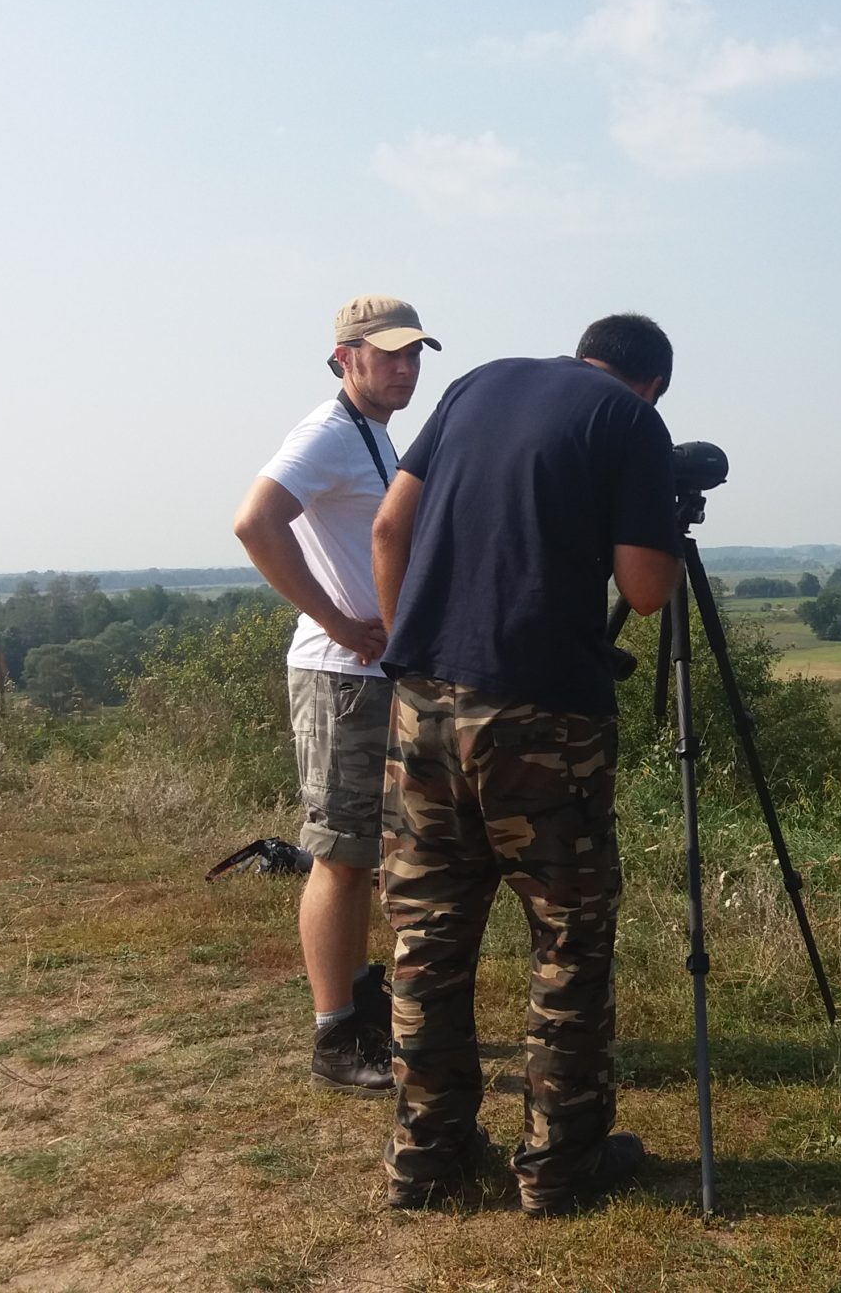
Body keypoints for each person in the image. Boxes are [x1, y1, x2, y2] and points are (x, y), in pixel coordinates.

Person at [369, 314, 682, 1217]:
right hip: (543, 714)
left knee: (428, 939)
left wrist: (413, 652)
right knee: (567, 944)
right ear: (651, 383)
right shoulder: (629, 421)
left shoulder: (477, 384)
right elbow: (647, 592)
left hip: (422, 702)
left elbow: (392, 527)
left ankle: (426, 1162)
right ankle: (559, 1166)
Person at [231, 294, 440, 1095]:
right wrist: (337, 620)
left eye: (415, 354)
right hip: (340, 676)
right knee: (339, 857)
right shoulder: (326, 433)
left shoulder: (374, 438)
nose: (405, 367)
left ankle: (361, 1009)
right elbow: (256, 522)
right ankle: (333, 1039)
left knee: (366, 856)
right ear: (343, 357)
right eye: (387, 353)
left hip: (371, 676)